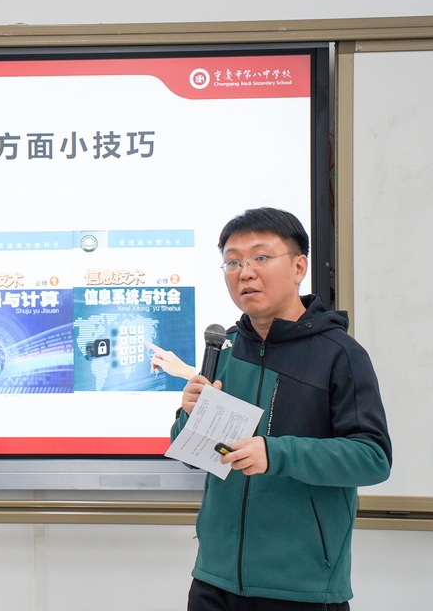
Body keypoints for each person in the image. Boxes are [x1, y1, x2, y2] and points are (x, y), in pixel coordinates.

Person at [150, 207, 391, 610]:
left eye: (260, 257)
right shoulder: (224, 348)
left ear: (299, 266)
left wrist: (276, 453)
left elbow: (372, 458)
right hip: (214, 578)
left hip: (300, 586)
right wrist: (189, 416)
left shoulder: (339, 354)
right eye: (233, 262)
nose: (245, 273)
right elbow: (194, 457)